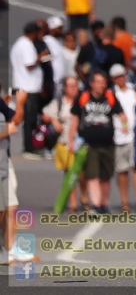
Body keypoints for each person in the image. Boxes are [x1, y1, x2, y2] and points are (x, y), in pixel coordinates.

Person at [68, 71, 128, 214]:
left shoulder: (110, 97)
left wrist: (124, 126)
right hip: (89, 144)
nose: (102, 85)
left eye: (104, 82)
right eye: (99, 82)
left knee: (105, 176)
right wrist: (71, 140)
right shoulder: (83, 97)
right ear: (92, 83)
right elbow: (75, 120)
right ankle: (95, 205)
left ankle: (103, 204)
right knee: (92, 176)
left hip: (107, 143)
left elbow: (121, 114)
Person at [41, 76, 87, 212]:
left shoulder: (83, 101)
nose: (74, 89)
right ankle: (73, 202)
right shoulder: (59, 103)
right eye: (71, 86)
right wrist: (54, 121)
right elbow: (44, 114)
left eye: (76, 86)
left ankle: (84, 197)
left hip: (81, 141)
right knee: (70, 173)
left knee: (83, 173)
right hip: (64, 142)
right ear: (65, 88)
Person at [109, 65, 136, 214]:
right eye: (117, 76)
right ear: (113, 79)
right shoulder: (111, 93)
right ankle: (124, 201)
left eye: (122, 75)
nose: (121, 78)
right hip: (118, 135)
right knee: (122, 170)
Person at [10, 21, 47, 159]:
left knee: (29, 117)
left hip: (26, 85)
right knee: (30, 119)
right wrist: (40, 58)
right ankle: (28, 148)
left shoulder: (20, 43)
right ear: (34, 32)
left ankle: (29, 147)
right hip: (28, 87)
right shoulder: (26, 45)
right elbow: (29, 65)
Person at [0, 80, 20, 263]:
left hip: (4, 164)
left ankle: (9, 248)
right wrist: (5, 131)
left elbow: (16, 118)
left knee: (10, 207)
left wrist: (19, 102)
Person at [43, 17, 68, 92]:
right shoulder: (47, 41)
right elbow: (45, 61)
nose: (61, 30)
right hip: (53, 83)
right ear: (52, 29)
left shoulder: (58, 41)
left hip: (60, 84)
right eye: (59, 28)